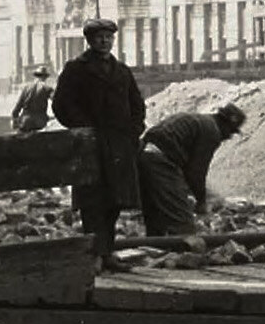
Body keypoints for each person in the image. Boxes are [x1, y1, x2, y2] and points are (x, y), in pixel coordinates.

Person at [51, 20, 146, 250]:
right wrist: (84, 129)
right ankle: (95, 255)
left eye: (109, 37)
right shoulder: (76, 68)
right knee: (92, 202)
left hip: (118, 146)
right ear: (89, 40)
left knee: (115, 202)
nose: (105, 41)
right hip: (91, 146)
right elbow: (61, 105)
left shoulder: (121, 70)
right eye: (99, 37)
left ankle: (107, 253)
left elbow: (137, 104)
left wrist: (134, 130)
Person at [140, 101, 243, 239]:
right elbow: (196, 173)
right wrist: (201, 201)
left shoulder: (199, 121)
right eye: (231, 132)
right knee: (182, 222)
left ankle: (153, 248)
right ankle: (181, 251)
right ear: (225, 124)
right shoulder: (211, 131)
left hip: (144, 155)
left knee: (155, 215)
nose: (229, 137)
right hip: (160, 161)